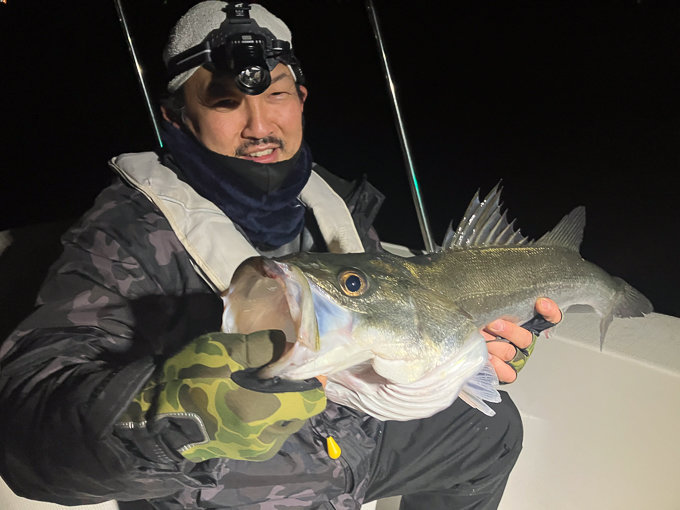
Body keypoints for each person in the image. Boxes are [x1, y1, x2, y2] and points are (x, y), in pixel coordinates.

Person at [0, 2, 562, 509]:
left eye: (276, 95)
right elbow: (26, 428)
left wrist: (463, 347)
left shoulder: (334, 201)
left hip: (352, 431)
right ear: (176, 116)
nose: (260, 125)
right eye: (226, 101)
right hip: (231, 475)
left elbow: (388, 318)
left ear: (301, 99)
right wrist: (177, 415)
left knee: (489, 433)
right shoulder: (122, 235)